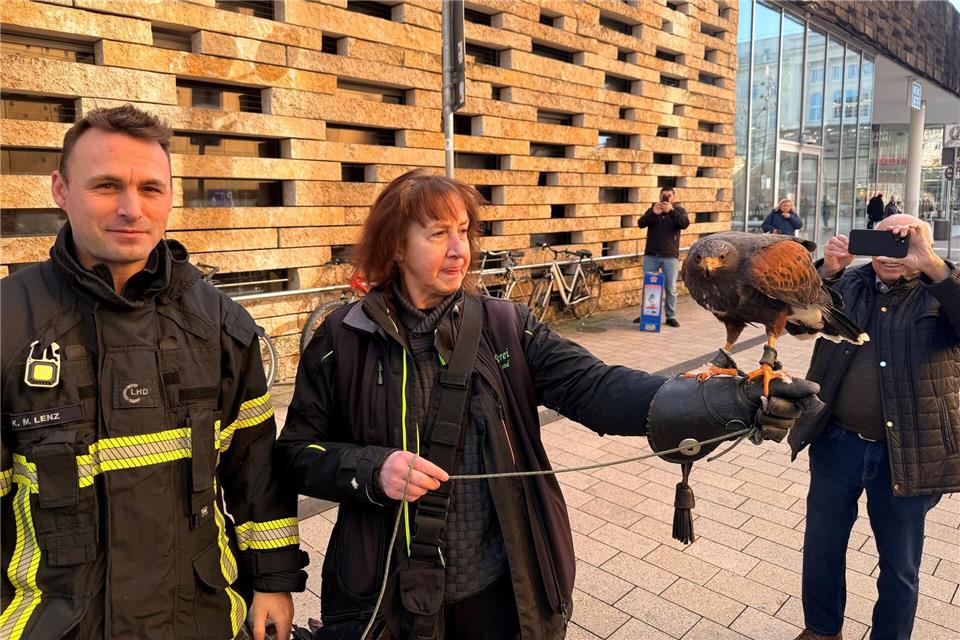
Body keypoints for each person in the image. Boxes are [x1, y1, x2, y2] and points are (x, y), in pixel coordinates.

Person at [278, 169, 822, 640]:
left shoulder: (504, 326)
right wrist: (372, 469)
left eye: (464, 231)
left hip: (498, 586)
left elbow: (599, 388)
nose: (458, 249)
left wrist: (729, 398)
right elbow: (297, 453)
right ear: (396, 245)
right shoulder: (340, 339)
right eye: (438, 233)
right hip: (382, 591)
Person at [0, 105, 307, 640]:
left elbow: (254, 470)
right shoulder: (7, 324)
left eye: (150, 189)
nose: (130, 208)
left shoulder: (219, 325)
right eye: (106, 186)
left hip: (200, 618)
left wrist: (273, 583)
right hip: (54, 624)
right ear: (60, 189)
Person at [788, 214, 960, 640]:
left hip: (906, 454)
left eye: (903, 243)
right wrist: (826, 271)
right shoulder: (848, 283)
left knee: (899, 566)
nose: (890, 254)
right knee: (822, 549)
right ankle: (822, 631)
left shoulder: (941, 290)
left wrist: (933, 266)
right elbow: (794, 323)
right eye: (881, 241)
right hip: (836, 442)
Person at [633, 187, 689, 327]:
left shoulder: (679, 211)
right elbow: (640, 224)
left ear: (673, 198)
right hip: (651, 255)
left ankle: (670, 316)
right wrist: (653, 213)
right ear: (659, 196)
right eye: (663, 195)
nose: (666, 198)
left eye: (669, 196)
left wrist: (671, 211)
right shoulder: (653, 209)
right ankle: (647, 314)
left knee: (670, 288)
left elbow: (684, 224)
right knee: (649, 286)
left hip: (670, 256)